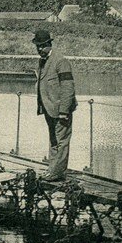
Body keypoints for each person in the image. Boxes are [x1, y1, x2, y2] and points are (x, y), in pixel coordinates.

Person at [33, 29, 76, 181]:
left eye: (42, 46)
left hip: (60, 110)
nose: (39, 49)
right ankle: (52, 170)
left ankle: (57, 172)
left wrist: (64, 111)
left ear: (49, 44)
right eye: (37, 46)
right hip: (48, 109)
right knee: (53, 140)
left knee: (62, 141)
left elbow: (68, 88)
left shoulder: (60, 61)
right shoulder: (42, 61)